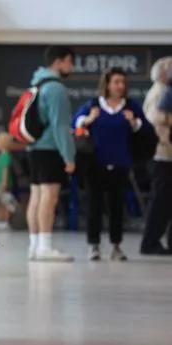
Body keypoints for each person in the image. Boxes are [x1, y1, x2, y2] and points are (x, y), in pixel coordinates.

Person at [73, 68, 149, 261]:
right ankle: (94, 245)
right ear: (107, 84)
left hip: (121, 165)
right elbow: (76, 122)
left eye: (123, 83)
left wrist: (134, 123)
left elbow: (146, 129)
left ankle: (116, 246)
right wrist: (89, 119)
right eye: (116, 82)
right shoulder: (93, 104)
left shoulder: (130, 106)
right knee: (94, 206)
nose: (120, 86)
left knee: (117, 207)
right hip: (96, 165)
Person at [26, 46, 76, 262]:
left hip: (35, 148)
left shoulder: (37, 83)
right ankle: (45, 246)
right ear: (59, 62)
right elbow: (60, 126)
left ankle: (35, 246)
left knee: (37, 196)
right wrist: (69, 156)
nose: (71, 67)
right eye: (69, 62)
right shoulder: (56, 89)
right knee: (49, 197)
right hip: (50, 149)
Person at [141, 57, 172, 255]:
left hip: (167, 154)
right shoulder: (158, 93)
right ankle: (150, 241)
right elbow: (154, 120)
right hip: (162, 155)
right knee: (161, 202)